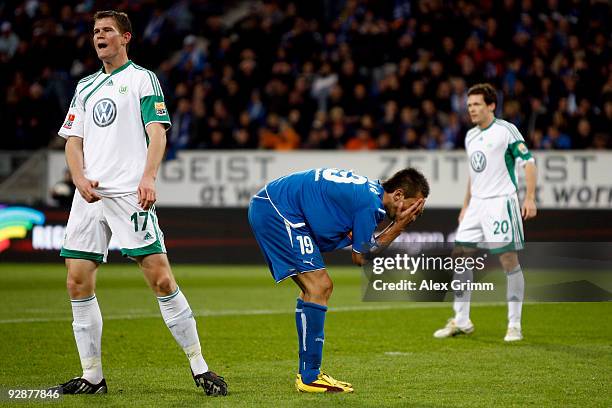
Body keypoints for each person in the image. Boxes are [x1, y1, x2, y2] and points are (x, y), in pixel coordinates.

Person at [52, 10, 227, 396]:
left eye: (108, 31)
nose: (100, 36)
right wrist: (79, 178)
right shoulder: (84, 87)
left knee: (161, 279)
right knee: (76, 282)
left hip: (128, 195)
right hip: (89, 196)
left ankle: (200, 367)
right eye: (96, 31)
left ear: (125, 37)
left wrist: (148, 177)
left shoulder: (142, 80)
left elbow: (157, 134)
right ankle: (92, 376)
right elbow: (73, 141)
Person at [248, 167, 429, 392]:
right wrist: (398, 227)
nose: (414, 213)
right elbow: (361, 257)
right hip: (277, 210)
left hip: (274, 204)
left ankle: (308, 374)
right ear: (398, 194)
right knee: (320, 286)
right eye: (414, 206)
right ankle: (310, 376)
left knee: (314, 289)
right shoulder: (370, 203)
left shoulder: (368, 193)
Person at [433, 83, 537, 342]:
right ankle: (462, 319)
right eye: (469, 105)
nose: (472, 109)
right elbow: (473, 174)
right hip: (476, 205)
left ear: (491, 105)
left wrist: (530, 197)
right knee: (460, 256)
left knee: (508, 261)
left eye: (477, 104)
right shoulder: (470, 136)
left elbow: (529, 162)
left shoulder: (506, 131)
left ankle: (514, 325)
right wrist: (466, 204)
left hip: (501, 202)